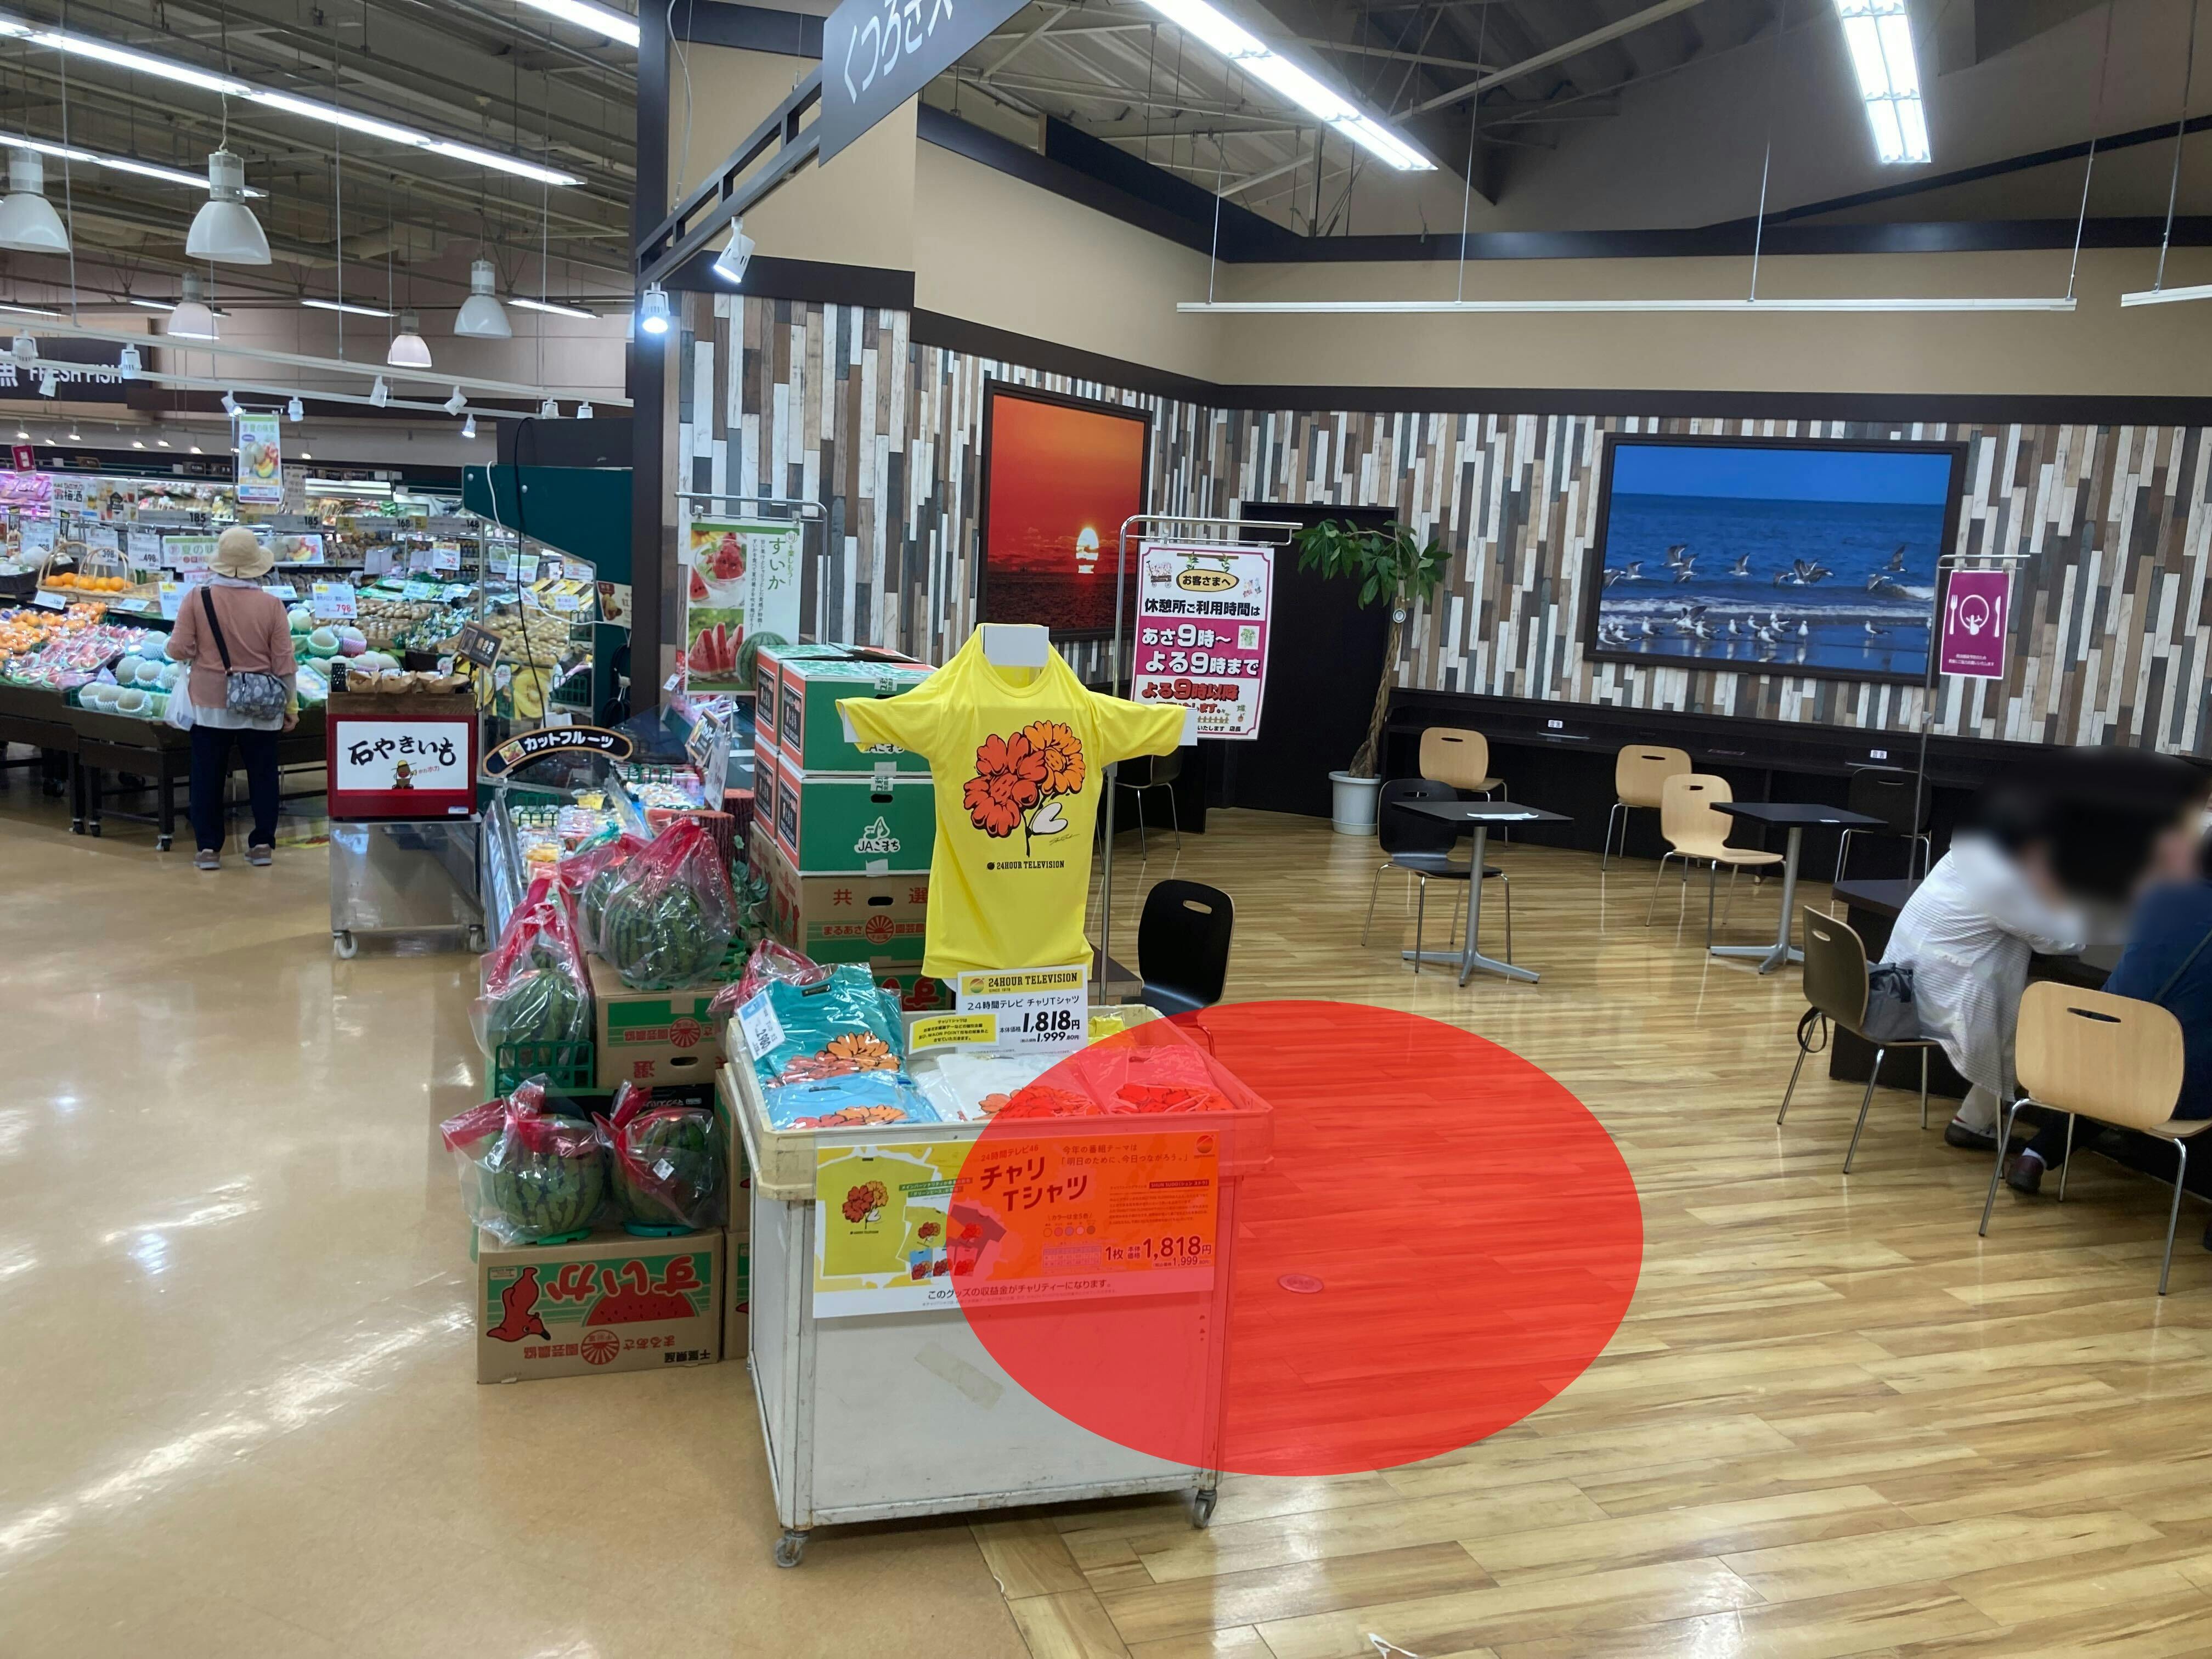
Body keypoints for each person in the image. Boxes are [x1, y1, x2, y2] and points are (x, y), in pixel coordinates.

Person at [2008, 817, 2212, 1195]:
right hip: (2176, 1093)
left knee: (2126, 1058)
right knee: (2159, 1060)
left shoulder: (2159, 894)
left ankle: (2033, 1156)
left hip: (2096, 1068)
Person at [1887, 785, 2085, 1153]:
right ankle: (1978, 1122)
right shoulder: (2003, 882)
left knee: (2029, 998)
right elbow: (2063, 941)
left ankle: (1976, 1119)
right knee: (2042, 1013)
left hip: (1903, 986)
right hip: (1936, 998)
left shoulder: (1969, 852)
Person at [166, 527, 297, 871]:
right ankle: (262, 844)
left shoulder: (197, 598)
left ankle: (209, 849)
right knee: (263, 774)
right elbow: (284, 662)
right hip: (262, 703)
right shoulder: (272, 605)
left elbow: (179, 649)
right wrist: (291, 705)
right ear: (257, 566)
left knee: (207, 776)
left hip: (210, 702)